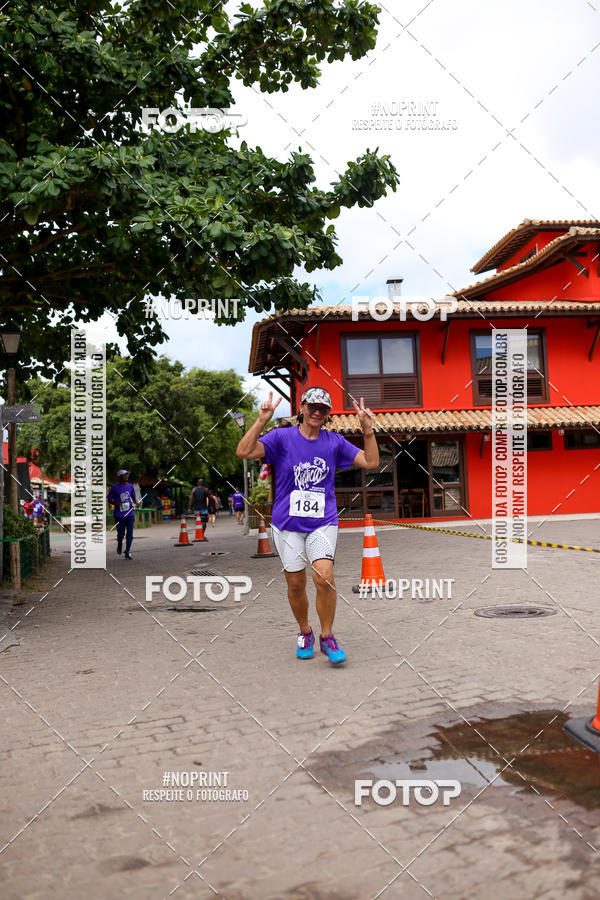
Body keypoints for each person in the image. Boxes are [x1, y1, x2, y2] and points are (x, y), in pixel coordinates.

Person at [236, 387, 379, 666]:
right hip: (287, 524)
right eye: (312, 406)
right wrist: (262, 419)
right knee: (295, 583)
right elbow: (243, 451)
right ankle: (305, 631)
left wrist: (367, 429)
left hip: (322, 522)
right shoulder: (281, 438)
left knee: (324, 577)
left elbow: (371, 461)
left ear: (327, 414)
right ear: (301, 407)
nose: (316, 412)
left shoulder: (334, 442)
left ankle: (327, 636)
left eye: (323, 409)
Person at [107, 469, 140, 559]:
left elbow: (133, 497)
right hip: (119, 515)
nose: (127, 476)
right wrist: (117, 504)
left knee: (130, 534)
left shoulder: (130, 486)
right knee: (121, 534)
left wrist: (137, 503)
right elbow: (109, 499)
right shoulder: (114, 487)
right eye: (125, 475)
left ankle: (127, 551)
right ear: (120, 476)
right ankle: (119, 543)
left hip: (130, 513)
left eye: (127, 474)